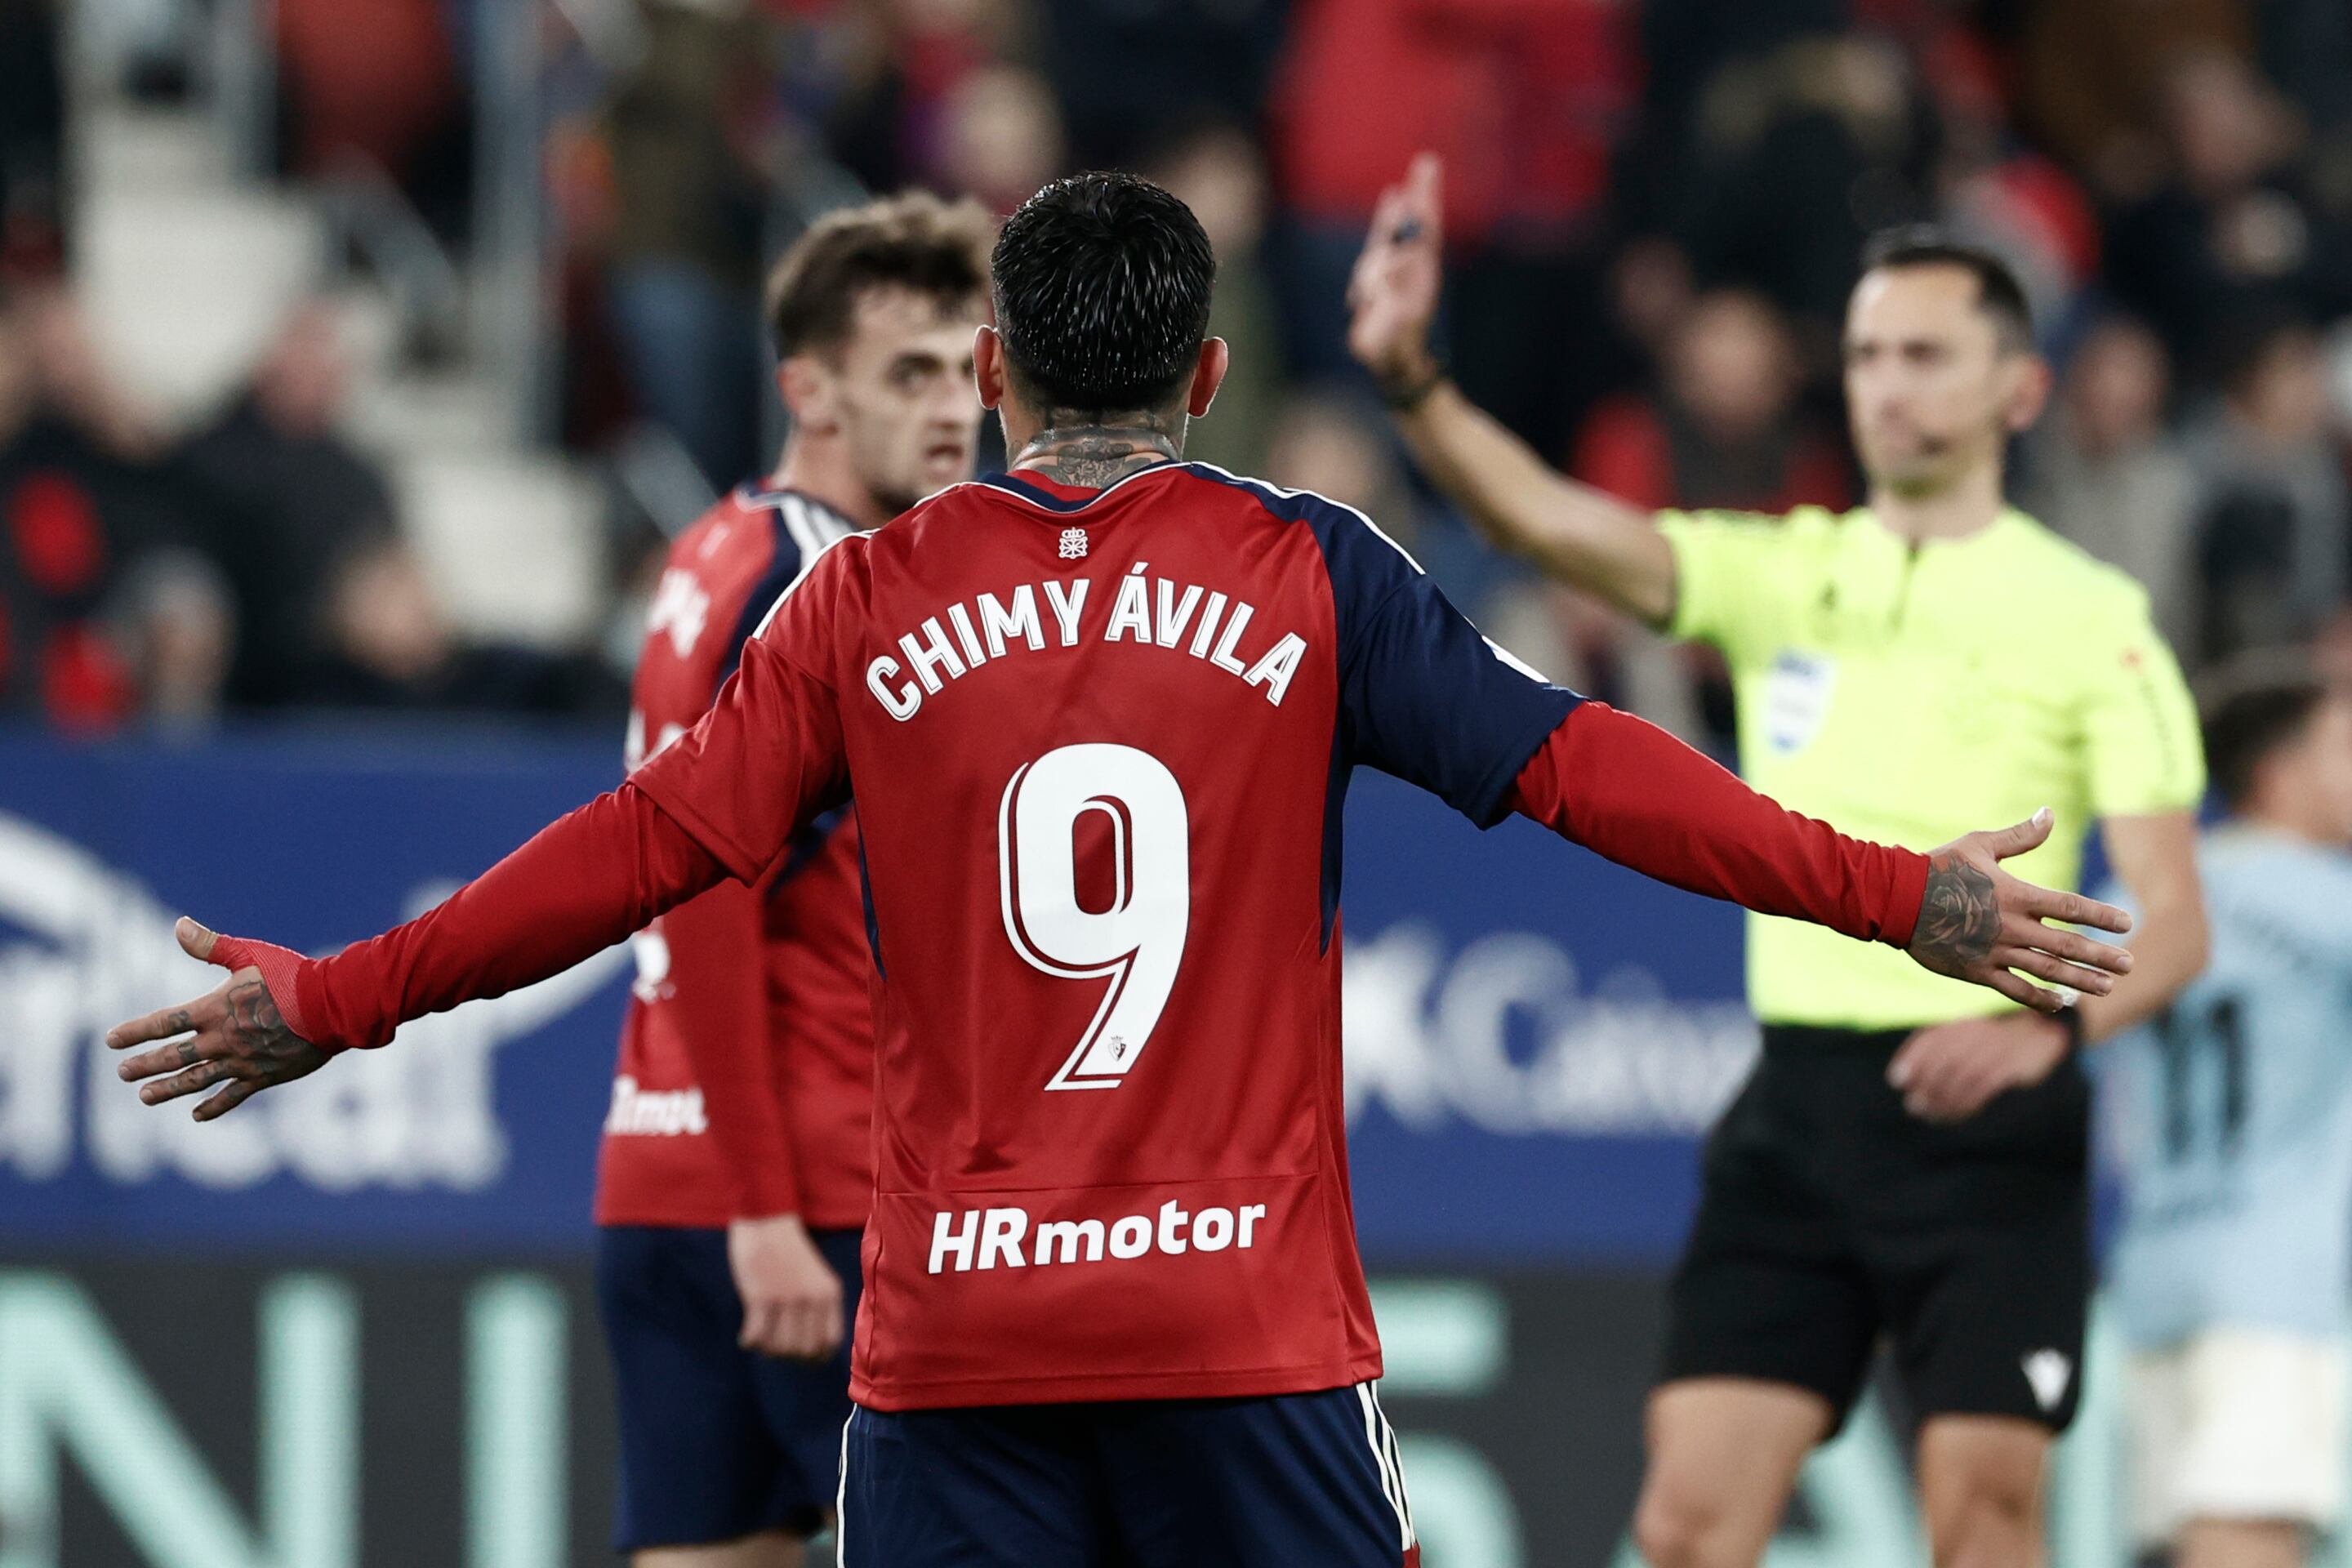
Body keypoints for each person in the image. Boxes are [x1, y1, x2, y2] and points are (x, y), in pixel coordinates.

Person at [107, 173, 2136, 1568]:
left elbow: (640, 848)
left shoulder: (859, 605)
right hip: (1240, 1341)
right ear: (1205, 381)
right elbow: (1590, 772)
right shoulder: (1308, 572)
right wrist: (1899, 893)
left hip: (957, 1347)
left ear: (988, 376)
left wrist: (333, 999)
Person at [1348, 155, 2211, 1568]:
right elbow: (1547, 523)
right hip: (1796, 1111)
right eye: (1868, 353)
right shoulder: (1788, 568)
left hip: (1987, 1119)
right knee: (1687, 1524)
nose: (1889, 384)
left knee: (1985, 1526)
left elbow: (2172, 919)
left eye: (1928, 354)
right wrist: (1412, 383)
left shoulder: (2094, 616)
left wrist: (2048, 1037)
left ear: (2021, 388)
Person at [592, 191, 992, 1567]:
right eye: (912, 374)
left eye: (969, 370)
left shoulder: (714, 551)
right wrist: (764, 1209)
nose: (956, 412)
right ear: (807, 389)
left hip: (656, 1177)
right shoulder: (813, 587)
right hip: (802, 1208)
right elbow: (704, 886)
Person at [2106, 658, 2352, 1568]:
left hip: (2156, 1270)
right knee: (2244, 1541)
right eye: (2345, 748)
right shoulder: (2333, 904)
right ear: (2277, 774)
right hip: (2273, 1280)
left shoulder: (2146, 901)